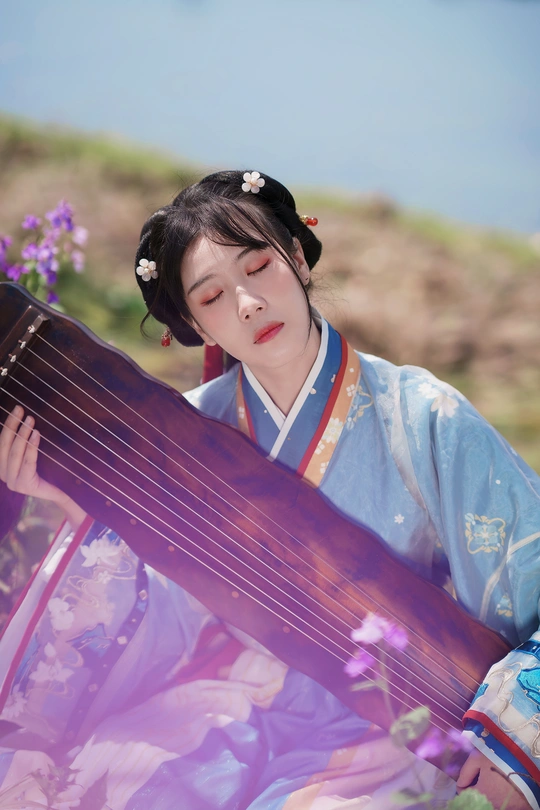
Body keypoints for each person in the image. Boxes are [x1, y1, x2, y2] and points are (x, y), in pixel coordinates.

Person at [0, 169, 538, 810]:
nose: (248, 303)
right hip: (232, 699)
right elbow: (177, 602)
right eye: (212, 297)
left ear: (298, 259)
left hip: (398, 718)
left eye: (258, 267)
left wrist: (515, 737)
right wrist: (77, 504)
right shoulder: (192, 427)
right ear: (196, 325)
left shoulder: (421, 415)